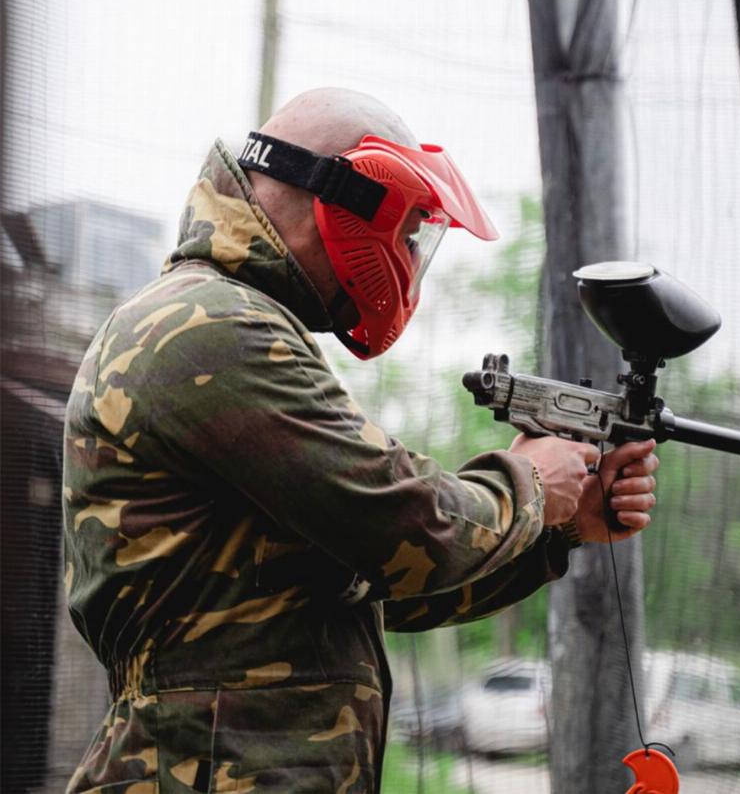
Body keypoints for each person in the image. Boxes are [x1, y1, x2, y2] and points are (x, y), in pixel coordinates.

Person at [63, 88, 658, 794]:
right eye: (408, 233)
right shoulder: (208, 323)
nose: (409, 255)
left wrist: (563, 525)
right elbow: (409, 527)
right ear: (347, 201)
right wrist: (533, 481)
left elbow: (382, 586)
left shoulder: (229, 320)